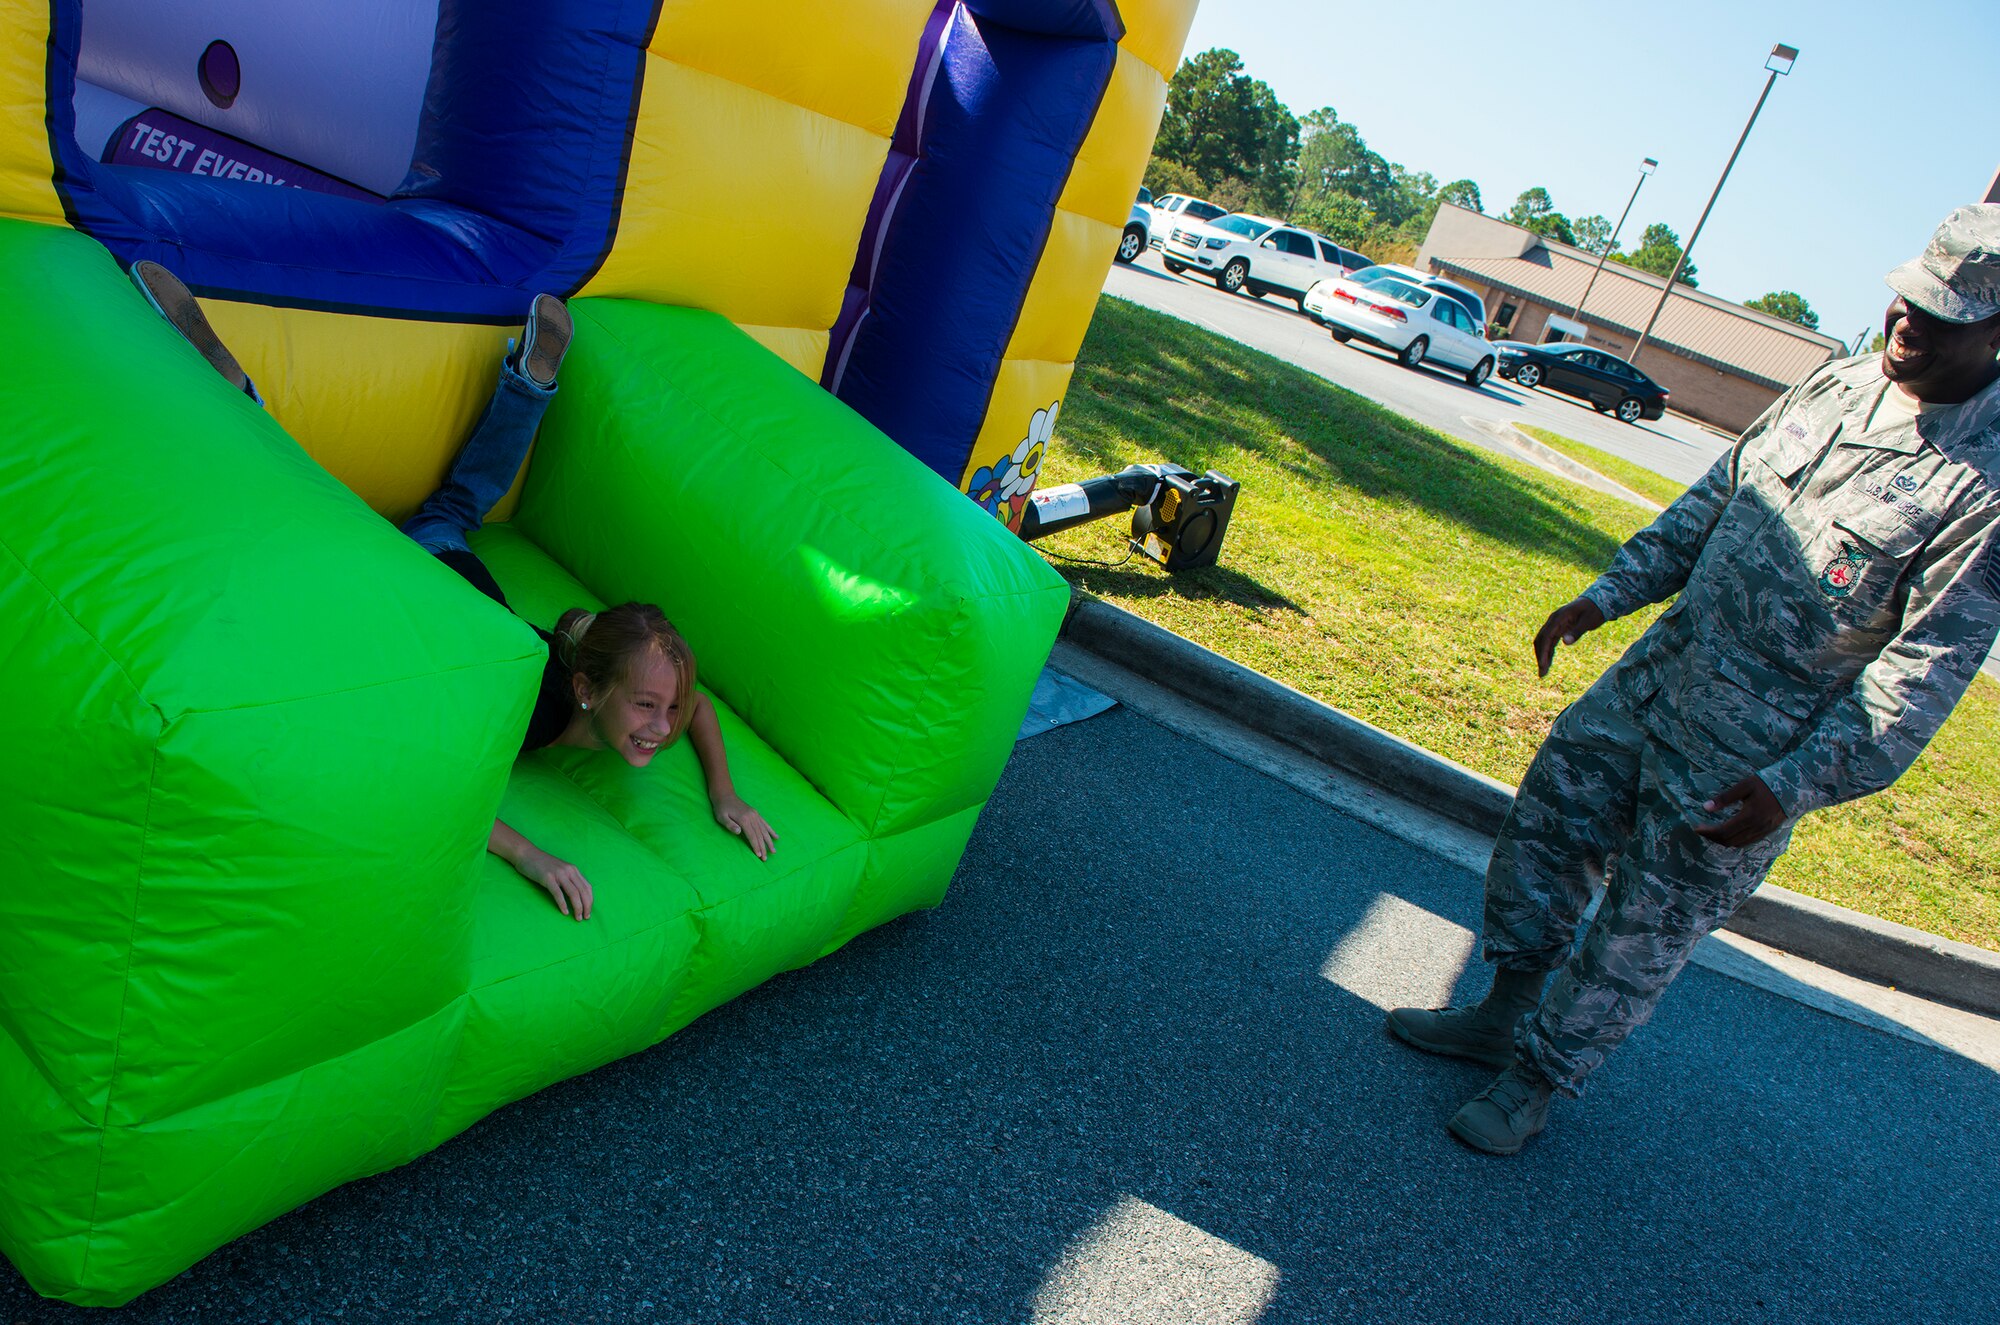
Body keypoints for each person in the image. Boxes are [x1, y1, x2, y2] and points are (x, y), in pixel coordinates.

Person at [1385, 204, 2000, 1155]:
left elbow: (1917, 677)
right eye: (1906, 300)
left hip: (1750, 751)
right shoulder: (1836, 385)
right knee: (1548, 825)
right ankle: (1502, 1014)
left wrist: (1793, 787)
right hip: (1655, 677)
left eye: (1943, 315)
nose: (1909, 322)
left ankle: (1538, 1082)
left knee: (1643, 924)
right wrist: (1606, 597)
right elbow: (1715, 500)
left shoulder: (1982, 486)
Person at [129, 262, 778, 922]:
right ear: (590, 691)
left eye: (663, 707)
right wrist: (532, 854)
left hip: (455, 570)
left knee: (455, 507)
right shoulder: (536, 712)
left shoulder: (638, 705)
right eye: (647, 707)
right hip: (420, 586)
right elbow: (449, 784)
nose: (661, 726)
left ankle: (530, 383)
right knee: (317, 526)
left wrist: (727, 794)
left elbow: (698, 712)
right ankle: (240, 402)